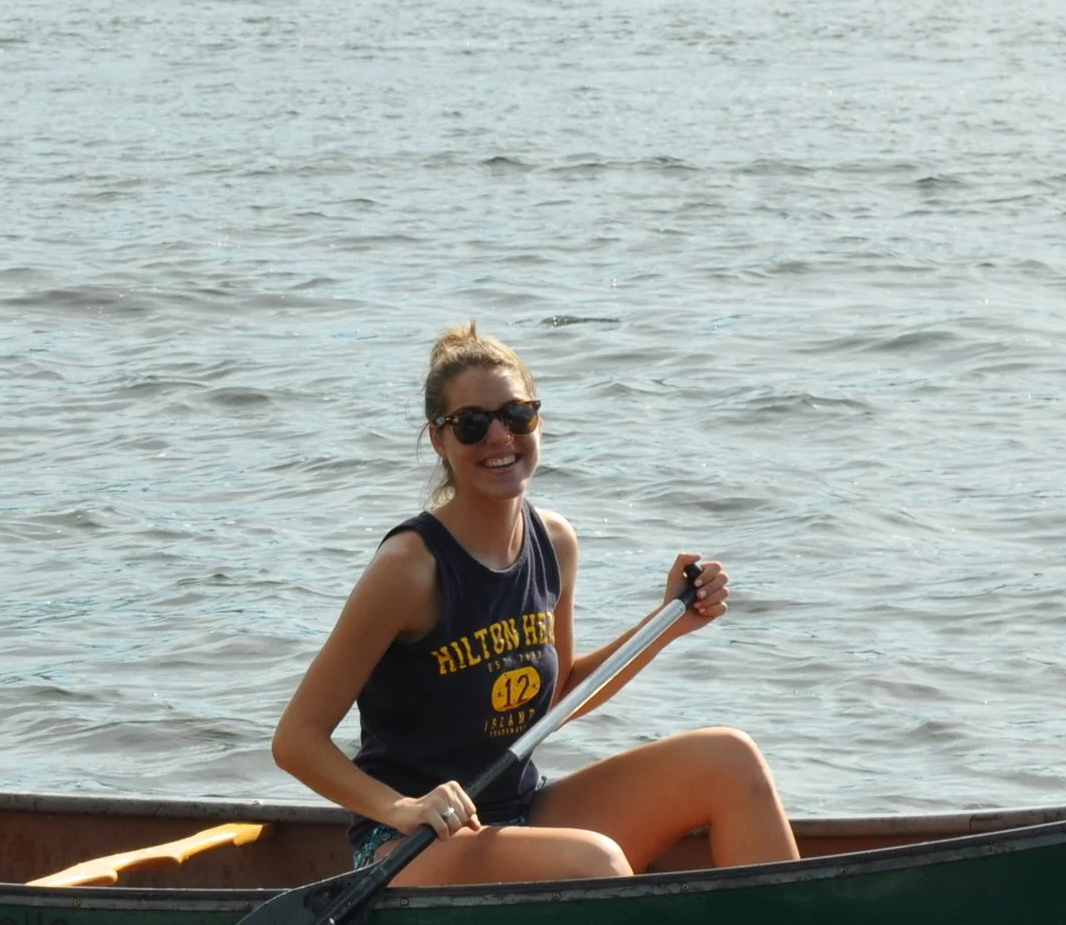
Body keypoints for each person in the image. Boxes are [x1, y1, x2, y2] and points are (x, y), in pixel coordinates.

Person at [270, 324, 799, 886]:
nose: (500, 438)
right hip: (412, 844)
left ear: (537, 422)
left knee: (729, 759)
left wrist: (667, 623)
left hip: (518, 812)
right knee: (593, 862)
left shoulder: (555, 542)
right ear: (439, 440)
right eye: (473, 424)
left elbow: (557, 695)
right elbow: (296, 739)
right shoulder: (410, 568)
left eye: (516, 416)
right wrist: (404, 808)